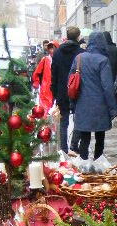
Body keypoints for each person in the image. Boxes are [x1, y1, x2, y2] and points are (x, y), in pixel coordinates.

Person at [69, 31, 117, 161]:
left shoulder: (79, 58)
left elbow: (71, 82)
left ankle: (84, 164)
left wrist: (72, 103)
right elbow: (107, 87)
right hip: (99, 106)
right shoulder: (103, 60)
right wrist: (113, 109)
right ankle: (98, 163)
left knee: (84, 138)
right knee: (99, 137)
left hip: (82, 103)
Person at [51, 26, 84, 154]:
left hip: (62, 91)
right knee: (79, 119)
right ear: (78, 37)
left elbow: (54, 73)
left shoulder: (58, 52)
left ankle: (63, 149)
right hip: (77, 90)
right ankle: (74, 144)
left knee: (63, 121)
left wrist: (54, 92)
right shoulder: (81, 53)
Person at [32, 41, 57, 113]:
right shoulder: (45, 59)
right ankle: (44, 123)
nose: (52, 50)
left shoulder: (60, 60)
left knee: (55, 111)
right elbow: (37, 72)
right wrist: (36, 82)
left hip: (57, 89)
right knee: (45, 110)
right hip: (46, 88)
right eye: (50, 49)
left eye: (53, 48)